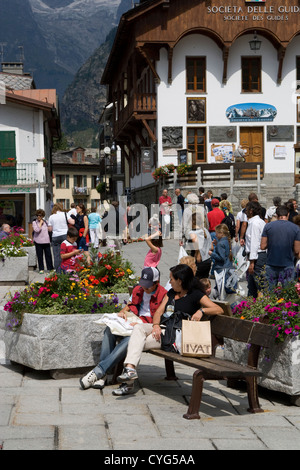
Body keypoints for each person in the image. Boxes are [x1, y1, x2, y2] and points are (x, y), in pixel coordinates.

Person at [114, 264, 223, 395]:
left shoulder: (195, 294)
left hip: (176, 334)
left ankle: (128, 382)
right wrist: (155, 326)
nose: (169, 282)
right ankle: (130, 371)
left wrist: (202, 310)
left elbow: (219, 309)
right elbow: (159, 312)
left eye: (171, 279)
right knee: (138, 328)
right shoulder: (171, 293)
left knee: (136, 342)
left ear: (180, 281)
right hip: (164, 328)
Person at [79, 267, 167, 392]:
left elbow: (158, 318)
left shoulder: (163, 294)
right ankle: (102, 374)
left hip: (145, 326)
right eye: (143, 285)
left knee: (128, 340)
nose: (145, 289)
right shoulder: (138, 289)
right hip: (132, 321)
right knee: (109, 330)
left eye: (148, 286)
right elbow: (129, 306)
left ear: (156, 283)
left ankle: (100, 372)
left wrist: (139, 322)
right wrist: (122, 313)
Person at [261, 205, 300, 288]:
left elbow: (263, 246)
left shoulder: (268, 226)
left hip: (271, 263)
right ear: (288, 215)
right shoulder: (296, 228)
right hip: (287, 263)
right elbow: (297, 250)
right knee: (287, 293)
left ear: (277, 215)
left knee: (270, 294)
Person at [244, 201, 267, 298]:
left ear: (251, 211)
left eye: (246, 209)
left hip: (257, 256)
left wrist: (252, 261)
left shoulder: (254, 223)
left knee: (259, 285)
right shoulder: (260, 221)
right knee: (252, 285)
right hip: (259, 256)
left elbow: (254, 242)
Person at [48, 203, 69, 273]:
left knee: (56, 255)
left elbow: (50, 229)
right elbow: (72, 221)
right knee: (65, 253)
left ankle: (58, 271)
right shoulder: (65, 214)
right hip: (65, 235)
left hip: (55, 236)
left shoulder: (51, 217)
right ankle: (66, 270)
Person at [32, 209, 54, 274]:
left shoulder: (46, 222)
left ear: (43, 216)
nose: (39, 217)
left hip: (46, 241)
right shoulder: (34, 222)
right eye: (38, 215)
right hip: (38, 241)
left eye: (40, 215)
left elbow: (50, 230)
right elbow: (37, 230)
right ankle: (41, 268)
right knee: (40, 255)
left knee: (48, 255)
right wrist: (40, 224)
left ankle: (50, 268)